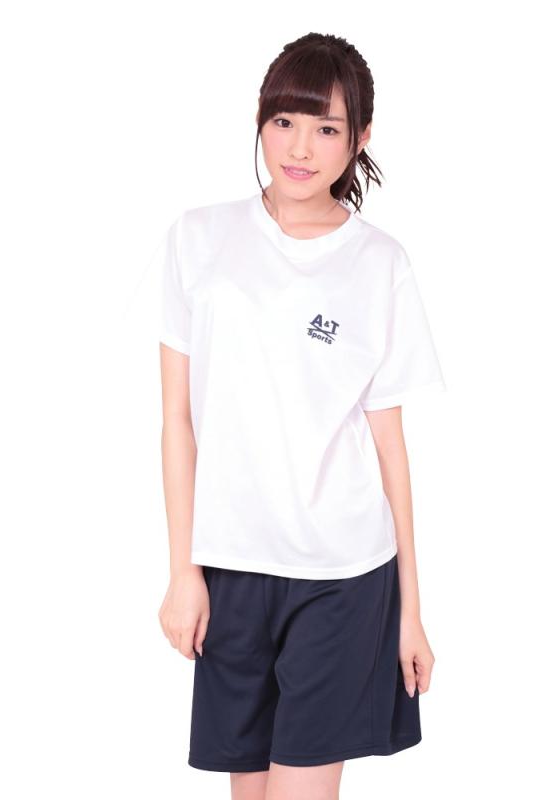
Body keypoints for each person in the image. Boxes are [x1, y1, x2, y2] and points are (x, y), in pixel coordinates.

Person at [156, 32, 446, 800]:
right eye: (285, 120)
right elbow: (177, 421)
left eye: (326, 128)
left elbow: (390, 447)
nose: (300, 147)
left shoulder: (379, 262)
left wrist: (411, 611)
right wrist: (183, 570)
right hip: (231, 571)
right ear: (261, 118)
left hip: (342, 576)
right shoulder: (198, 240)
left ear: (360, 140)